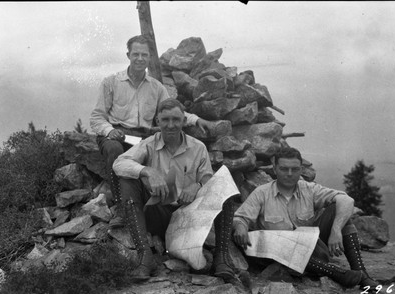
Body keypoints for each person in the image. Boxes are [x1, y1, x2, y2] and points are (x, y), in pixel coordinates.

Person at [89, 35, 214, 228]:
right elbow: (97, 117)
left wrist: (197, 120)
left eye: (144, 55)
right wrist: (109, 130)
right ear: (128, 55)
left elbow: (172, 110)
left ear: (149, 57)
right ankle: (123, 210)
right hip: (116, 134)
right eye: (136, 54)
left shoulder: (156, 87)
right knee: (115, 151)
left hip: (141, 136)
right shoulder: (111, 82)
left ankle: (159, 211)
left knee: (156, 155)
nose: (140, 58)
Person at [112, 99, 240, 284]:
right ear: (158, 121)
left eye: (176, 119)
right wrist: (148, 171)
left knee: (224, 185)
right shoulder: (148, 144)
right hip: (158, 214)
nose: (170, 125)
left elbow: (207, 178)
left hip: (188, 217)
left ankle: (221, 257)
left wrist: (197, 186)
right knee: (128, 180)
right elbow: (119, 163)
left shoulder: (198, 147)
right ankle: (144, 256)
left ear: (183, 121)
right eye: (165, 119)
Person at [232, 147, 380, 291]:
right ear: (275, 169)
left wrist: (336, 230)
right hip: (282, 253)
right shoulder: (262, 193)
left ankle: (363, 275)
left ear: (301, 169)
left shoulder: (309, 189)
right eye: (284, 169)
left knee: (339, 211)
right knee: (266, 241)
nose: (289, 174)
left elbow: (346, 200)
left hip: (315, 248)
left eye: (295, 169)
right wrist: (241, 226)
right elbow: (241, 218)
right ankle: (336, 273)